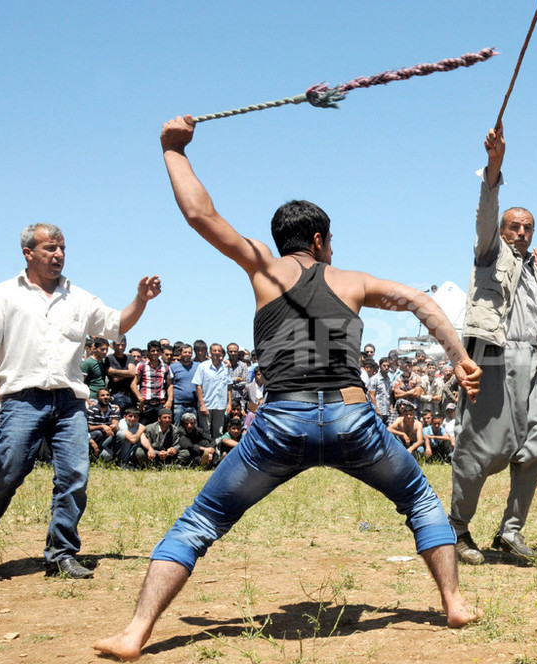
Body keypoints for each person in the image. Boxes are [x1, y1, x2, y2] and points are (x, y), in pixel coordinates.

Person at [95, 116, 482, 661]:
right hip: (353, 422)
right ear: (321, 240)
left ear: (283, 241)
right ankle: (455, 604)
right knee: (419, 499)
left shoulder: (263, 270)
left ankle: (136, 633)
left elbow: (200, 215)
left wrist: (172, 150)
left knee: (201, 521)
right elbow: (423, 302)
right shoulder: (354, 281)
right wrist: (461, 357)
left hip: (282, 422)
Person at [0, 223, 159, 578]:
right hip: (21, 398)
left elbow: (116, 324)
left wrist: (141, 300)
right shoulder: (5, 295)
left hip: (70, 402)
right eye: (50, 248)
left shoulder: (79, 298)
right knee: (6, 472)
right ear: (28, 253)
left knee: (74, 475)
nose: (58, 255)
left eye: (62, 248)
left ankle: (61, 554)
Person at [449, 126, 537, 566]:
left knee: (536, 449)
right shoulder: (489, 252)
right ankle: (457, 529)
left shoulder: (536, 268)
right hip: (492, 358)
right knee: (479, 450)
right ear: (502, 230)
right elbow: (486, 212)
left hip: (530, 366)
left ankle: (510, 531)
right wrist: (494, 169)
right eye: (513, 226)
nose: (520, 232)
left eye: (527, 227)